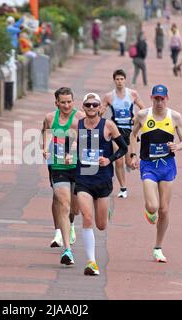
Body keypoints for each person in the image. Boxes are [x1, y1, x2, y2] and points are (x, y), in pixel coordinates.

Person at [128, 84, 182, 263]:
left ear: (167, 98)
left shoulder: (175, 116)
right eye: (156, 98)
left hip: (167, 165)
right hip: (148, 165)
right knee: (153, 207)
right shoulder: (142, 115)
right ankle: (149, 211)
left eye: (162, 98)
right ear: (152, 98)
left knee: (164, 209)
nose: (159, 102)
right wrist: (133, 155)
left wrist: (177, 146)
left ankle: (158, 247)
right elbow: (132, 135)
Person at [74, 93, 127, 275]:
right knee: (87, 218)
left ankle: (105, 211)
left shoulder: (108, 126)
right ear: (83, 107)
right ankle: (91, 262)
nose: (91, 108)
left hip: (103, 179)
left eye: (94, 105)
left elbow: (124, 148)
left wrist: (109, 159)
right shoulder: (78, 124)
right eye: (87, 105)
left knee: (101, 225)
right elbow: (68, 142)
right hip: (83, 179)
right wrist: (68, 154)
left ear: (99, 107)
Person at [42, 87, 85, 265]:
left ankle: (71, 224)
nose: (66, 105)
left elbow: (89, 137)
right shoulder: (50, 118)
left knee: (75, 209)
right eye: (63, 102)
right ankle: (67, 250)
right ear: (57, 103)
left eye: (69, 101)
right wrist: (45, 147)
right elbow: (45, 132)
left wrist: (74, 148)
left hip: (77, 165)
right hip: (57, 165)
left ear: (73, 102)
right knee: (63, 202)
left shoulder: (80, 117)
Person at [101, 69, 145, 198]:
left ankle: (129, 163)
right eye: (117, 79)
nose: (119, 81)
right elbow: (101, 111)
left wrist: (136, 116)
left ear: (125, 80)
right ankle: (123, 188)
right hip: (116, 131)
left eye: (122, 79)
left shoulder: (132, 94)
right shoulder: (109, 96)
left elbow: (143, 108)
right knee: (118, 161)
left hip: (130, 131)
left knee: (129, 163)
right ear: (114, 81)